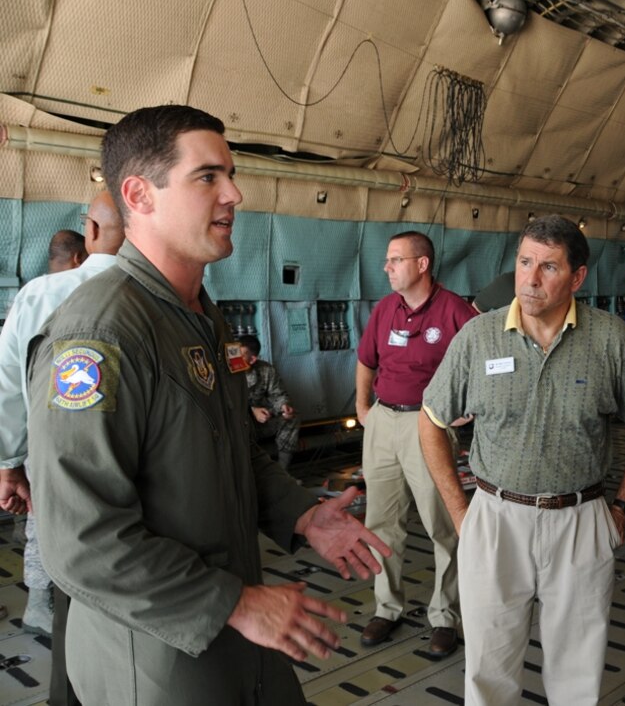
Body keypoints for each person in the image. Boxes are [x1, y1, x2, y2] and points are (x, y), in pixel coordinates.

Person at [25, 104, 391, 706]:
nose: (234, 195)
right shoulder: (100, 335)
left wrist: (300, 514)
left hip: (233, 630)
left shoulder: (197, 316)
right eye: (207, 177)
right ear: (139, 195)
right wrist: (234, 603)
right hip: (157, 657)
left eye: (231, 175)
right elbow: (80, 538)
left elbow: (229, 446)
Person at [418, 215, 625, 705]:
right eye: (525, 262)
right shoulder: (479, 337)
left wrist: (621, 510)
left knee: (577, 672)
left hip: (579, 519)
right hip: (495, 518)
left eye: (548, 267)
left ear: (577, 277)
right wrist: (462, 513)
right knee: (488, 669)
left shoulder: (609, 339)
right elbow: (431, 421)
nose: (530, 279)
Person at [0, 191, 124, 705]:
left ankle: (48, 616)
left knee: (50, 534)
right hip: (129, 466)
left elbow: (8, 383)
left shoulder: (37, 295)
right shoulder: (162, 294)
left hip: (46, 450)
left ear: (90, 233)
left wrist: (9, 463)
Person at [354, 231, 476, 658]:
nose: (386, 267)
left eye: (395, 260)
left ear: (422, 265)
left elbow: (483, 364)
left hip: (428, 426)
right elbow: (366, 360)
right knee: (381, 523)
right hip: (383, 421)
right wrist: (363, 409)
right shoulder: (385, 309)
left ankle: (445, 616)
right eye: (387, 260)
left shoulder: (455, 310)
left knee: (442, 524)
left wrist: (467, 411)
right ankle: (386, 608)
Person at [238, 334, 298, 468]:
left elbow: (278, 393)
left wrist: (284, 406)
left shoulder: (265, 370)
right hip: (240, 423)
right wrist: (252, 411)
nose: (235, 358)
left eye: (240, 355)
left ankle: (283, 470)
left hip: (260, 422)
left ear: (252, 359)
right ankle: (248, 472)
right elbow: (228, 404)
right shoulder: (227, 373)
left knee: (290, 419)